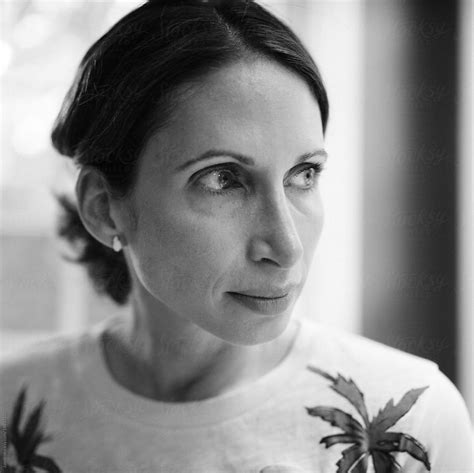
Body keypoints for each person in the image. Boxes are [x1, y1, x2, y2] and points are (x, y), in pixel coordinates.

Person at [0, 0, 472, 471]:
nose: (287, 248)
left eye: (304, 173)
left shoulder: (414, 420)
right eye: (222, 179)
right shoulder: (11, 409)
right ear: (105, 209)